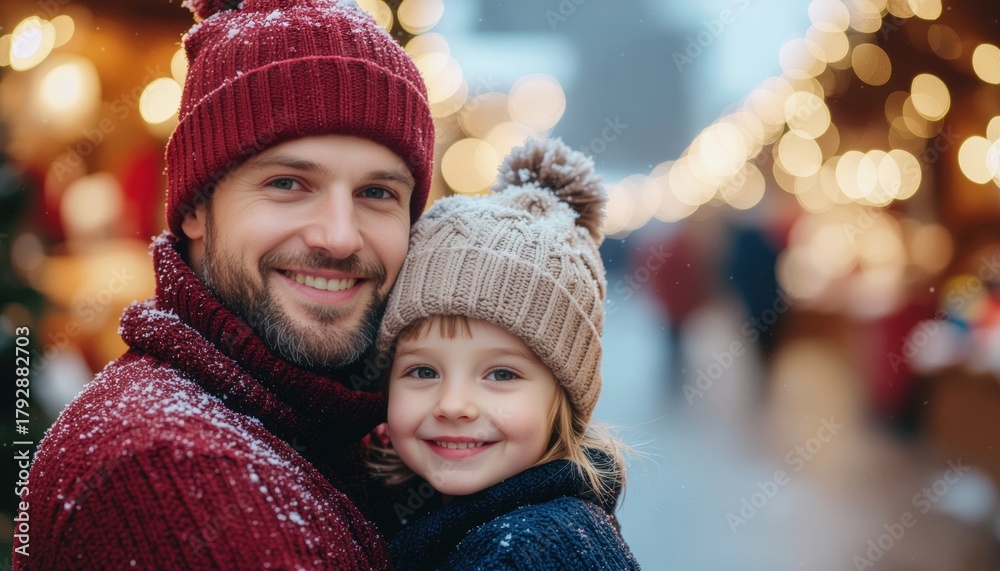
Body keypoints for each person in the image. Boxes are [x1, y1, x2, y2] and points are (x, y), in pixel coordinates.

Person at [13, 0, 433, 568]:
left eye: (378, 193)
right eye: (288, 183)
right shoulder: (170, 474)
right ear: (195, 210)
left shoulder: (354, 429)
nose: (339, 237)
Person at [370, 138, 640, 570]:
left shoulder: (532, 552)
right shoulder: (423, 510)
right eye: (423, 371)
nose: (453, 405)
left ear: (564, 400)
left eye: (500, 375)